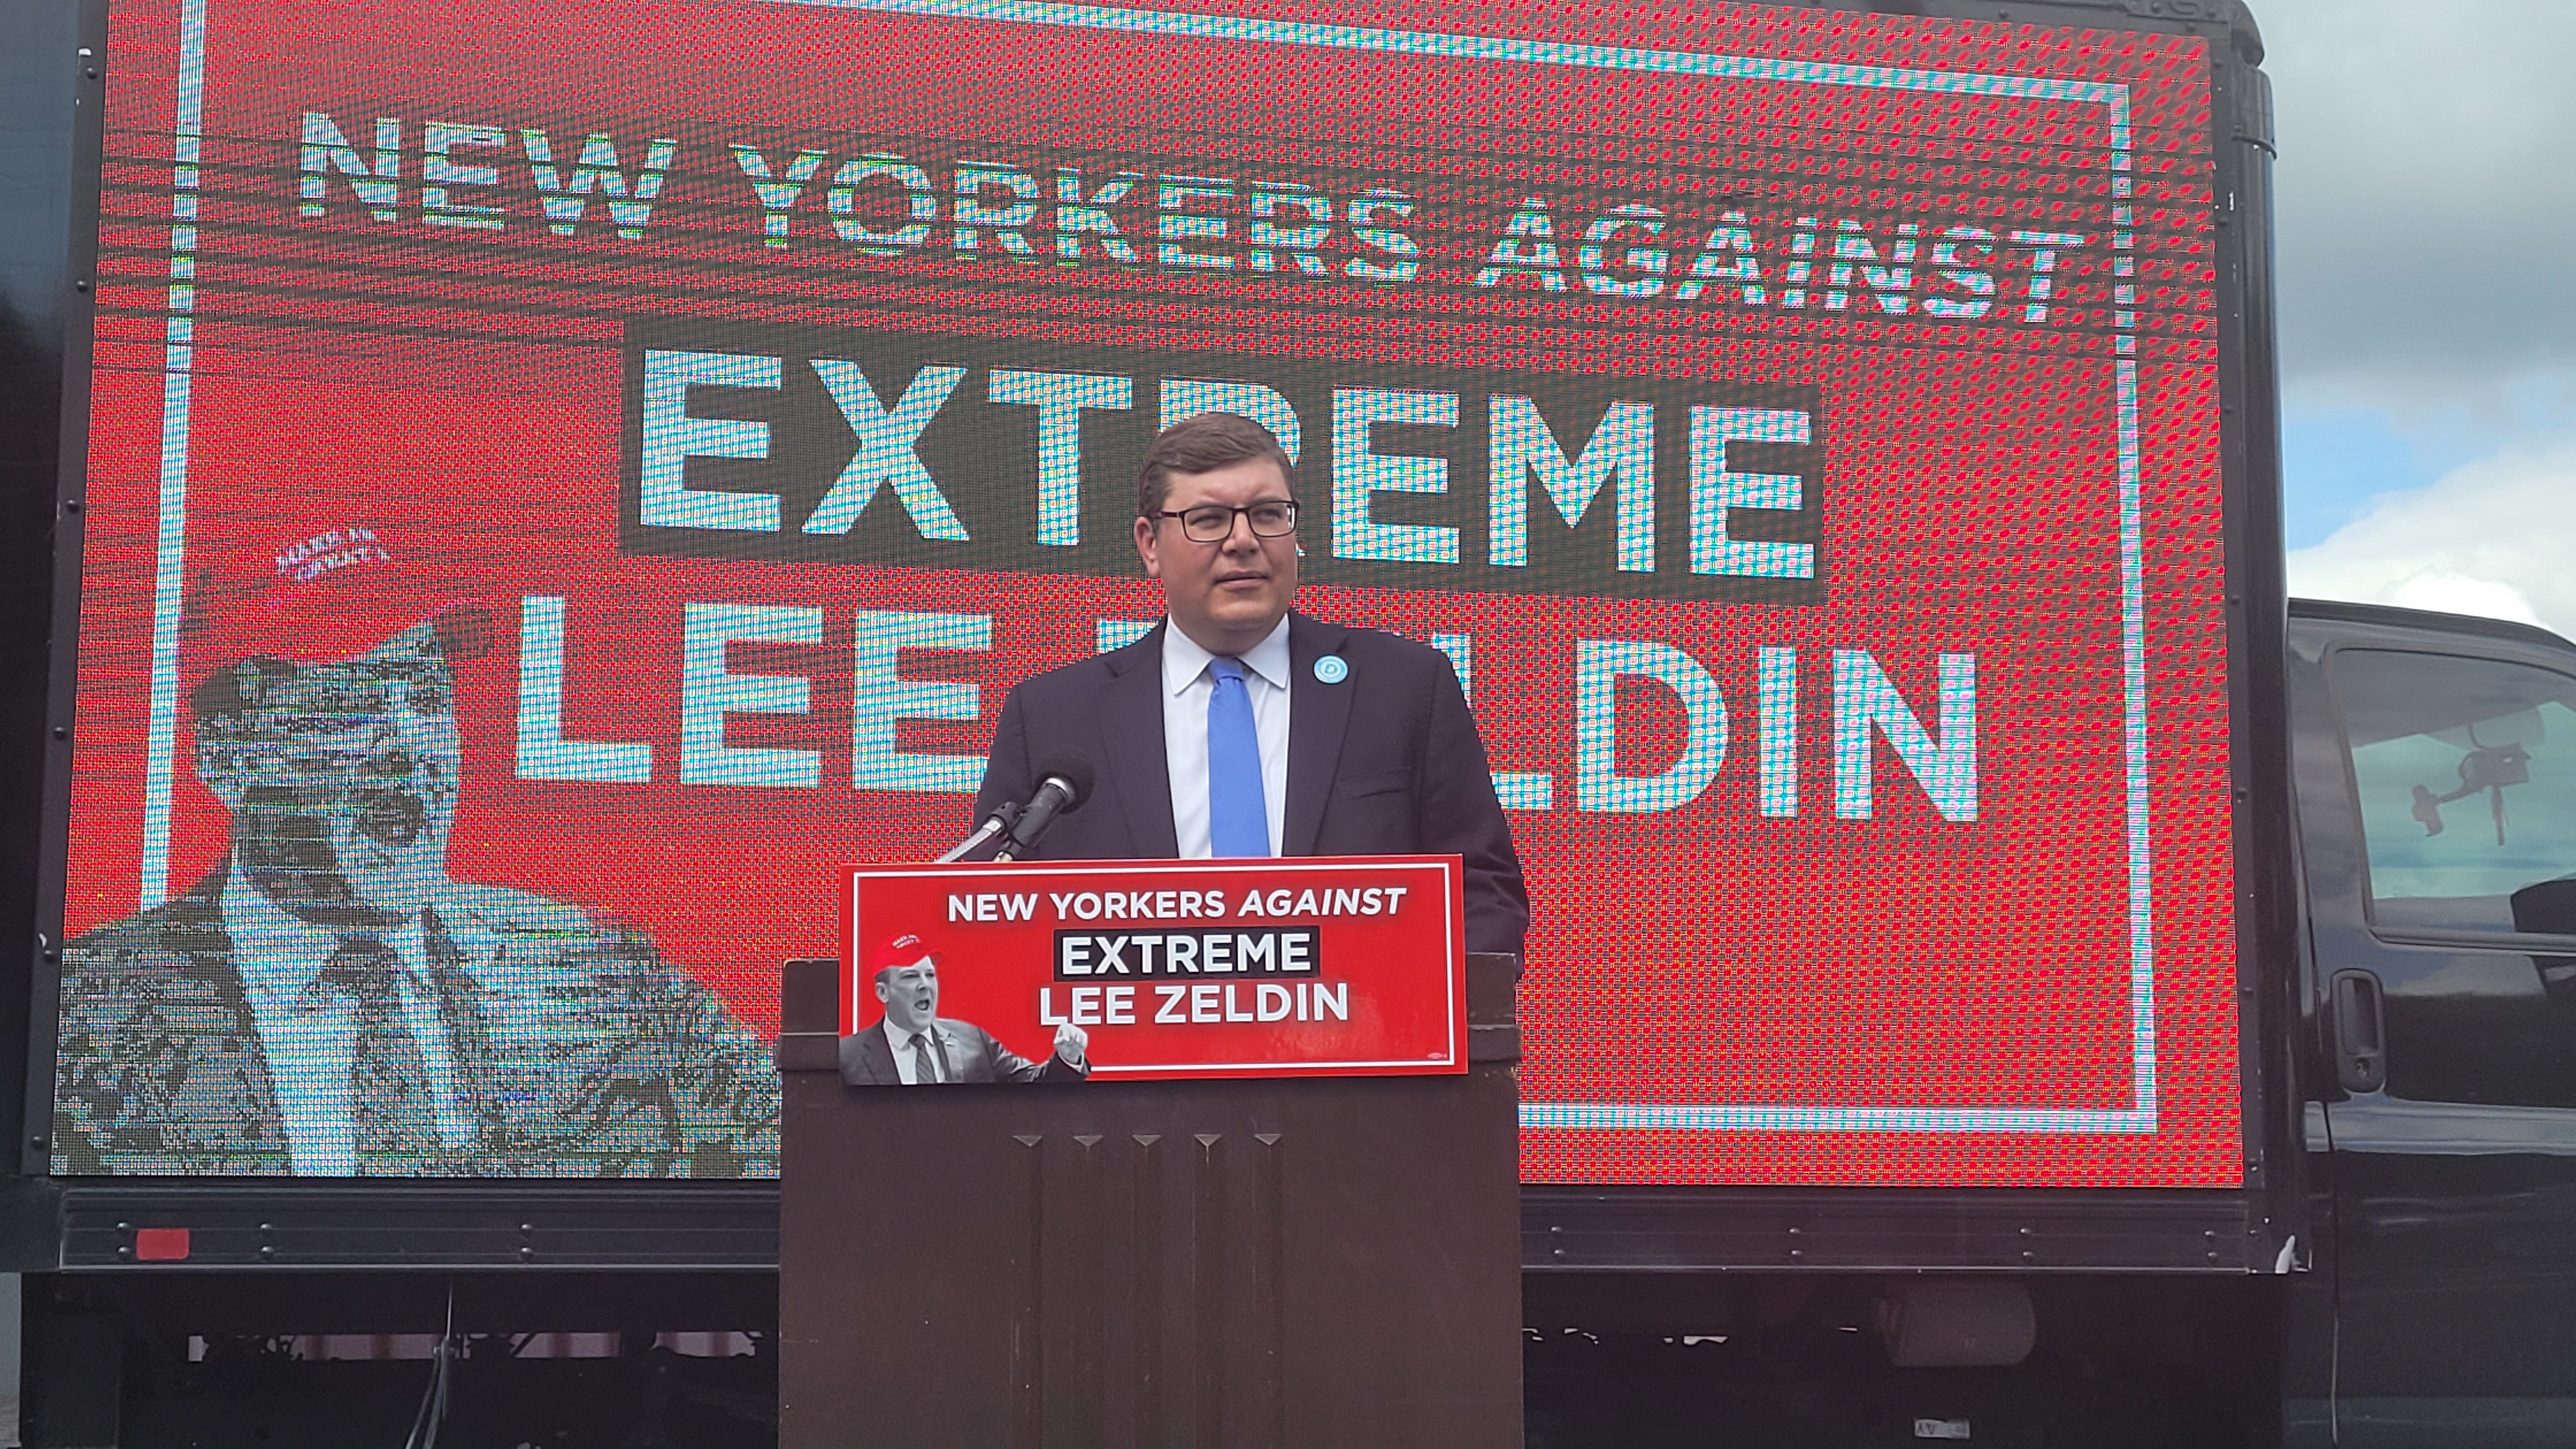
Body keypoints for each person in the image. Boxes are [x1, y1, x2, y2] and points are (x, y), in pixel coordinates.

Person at [52, 526, 779, 1177]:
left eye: (429, 694)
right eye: (352, 703)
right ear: (228, 760)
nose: (410, 752)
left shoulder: (597, 971)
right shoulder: (84, 1018)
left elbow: (808, 1151)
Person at [973, 411, 1530, 955]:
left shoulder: (1403, 687)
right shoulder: (1054, 716)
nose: (1243, 541)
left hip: (1355, 1042)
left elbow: (1480, 892)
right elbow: (990, 911)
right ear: (1149, 545)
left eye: (1267, 514)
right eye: (1210, 519)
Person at [839, 934, 1091, 1085]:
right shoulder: (848, 1055)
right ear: (883, 992)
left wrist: (1068, 1058)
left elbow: (1035, 1085)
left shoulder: (972, 1040)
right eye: (910, 977)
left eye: (930, 975)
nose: (925, 986)